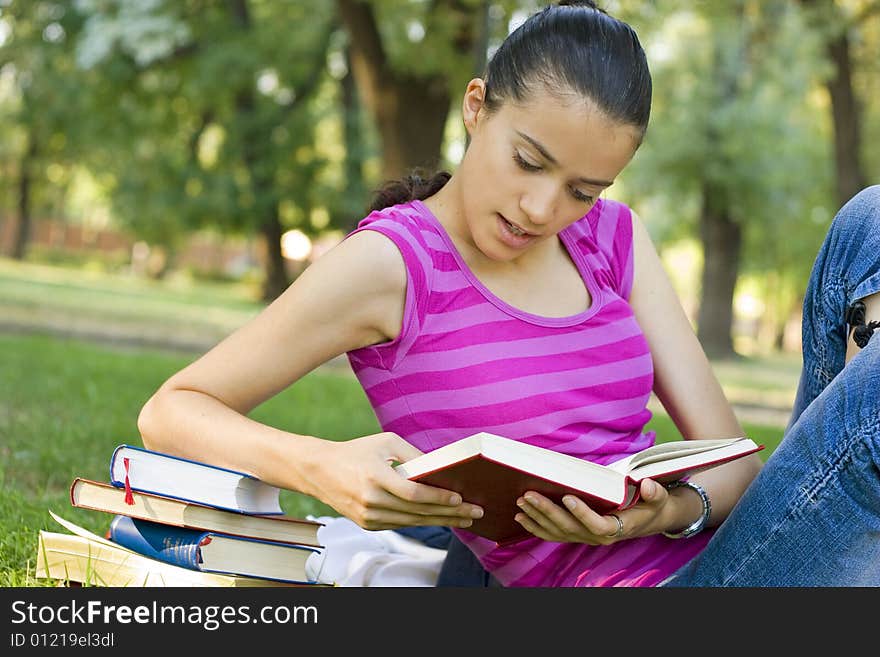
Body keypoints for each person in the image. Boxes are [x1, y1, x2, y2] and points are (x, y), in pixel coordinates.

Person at [136, 0, 880, 587]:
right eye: (528, 161)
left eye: (582, 190)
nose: (541, 209)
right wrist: (321, 465)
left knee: (869, 220)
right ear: (475, 107)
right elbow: (170, 409)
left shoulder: (612, 240)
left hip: (733, 552)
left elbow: (736, 466)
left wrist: (665, 509)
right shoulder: (395, 264)